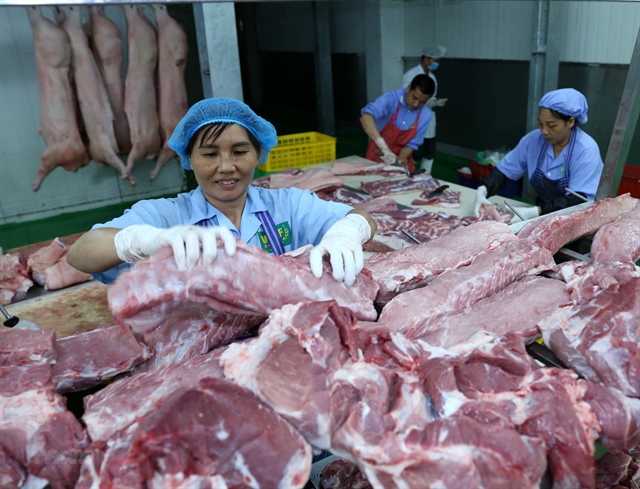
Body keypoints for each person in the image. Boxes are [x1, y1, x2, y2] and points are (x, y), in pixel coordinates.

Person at [67, 98, 377, 287]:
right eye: (210, 154)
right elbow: (81, 254)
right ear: (189, 159)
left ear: (259, 154)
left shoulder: (288, 204)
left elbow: (362, 217)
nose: (227, 167)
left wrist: (348, 231)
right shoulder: (167, 215)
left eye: (240, 152)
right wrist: (145, 240)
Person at [474, 88, 603, 220]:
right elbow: (504, 171)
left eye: (551, 125)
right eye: (540, 124)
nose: (544, 131)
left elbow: (579, 201)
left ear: (570, 122)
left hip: (575, 218)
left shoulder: (586, 150)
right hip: (543, 212)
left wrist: (536, 211)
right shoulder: (533, 141)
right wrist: (483, 189)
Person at [360, 74, 435, 172]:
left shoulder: (426, 115)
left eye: (422, 102)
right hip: (377, 154)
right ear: (408, 88)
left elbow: (412, 144)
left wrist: (401, 158)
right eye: (414, 98)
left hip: (400, 160)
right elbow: (366, 117)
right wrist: (383, 147)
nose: (416, 104)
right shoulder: (392, 98)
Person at [402, 45, 447, 174]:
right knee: (415, 152)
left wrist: (435, 102)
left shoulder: (432, 77)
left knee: (429, 151)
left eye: (438, 61)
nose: (437, 64)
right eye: (435, 60)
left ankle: (425, 177)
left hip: (428, 119)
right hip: (414, 118)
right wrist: (427, 102)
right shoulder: (411, 75)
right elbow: (408, 97)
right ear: (426, 58)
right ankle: (408, 175)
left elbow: (431, 96)